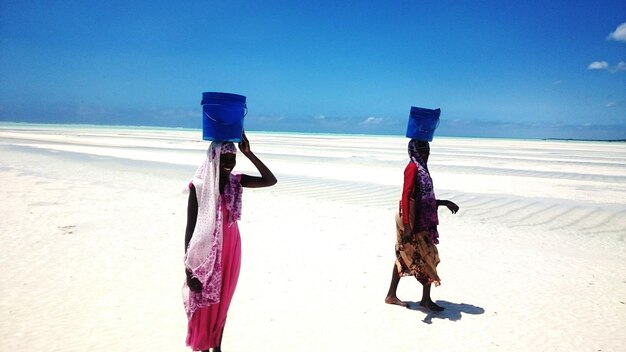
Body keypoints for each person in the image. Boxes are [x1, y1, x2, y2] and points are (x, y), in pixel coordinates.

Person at [183, 132, 277, 352]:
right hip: (206, 253)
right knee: (205, 301)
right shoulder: (199, 186)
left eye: (232, 158)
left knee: (223, 301)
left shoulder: (236, 182)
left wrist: (249, 153)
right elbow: (190, 228)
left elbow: (270, 180)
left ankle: (217, 347)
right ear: (214, 157)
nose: (229, 163)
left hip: (231, 250)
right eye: (224, 158)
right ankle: (204, 347)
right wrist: (188, 269)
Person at [385, 139, 459, 311]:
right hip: (410, 222)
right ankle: (393, 296)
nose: (426, 152)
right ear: (413, 150)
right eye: (422, 149)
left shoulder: (423, 170)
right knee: (411, 256)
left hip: (421, 222)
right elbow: (406, 196)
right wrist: (407, 226)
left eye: (427, 148)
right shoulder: (412, 168)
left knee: (426, 256)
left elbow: (424, 199)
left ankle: (423, 299)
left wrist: (443, 202)